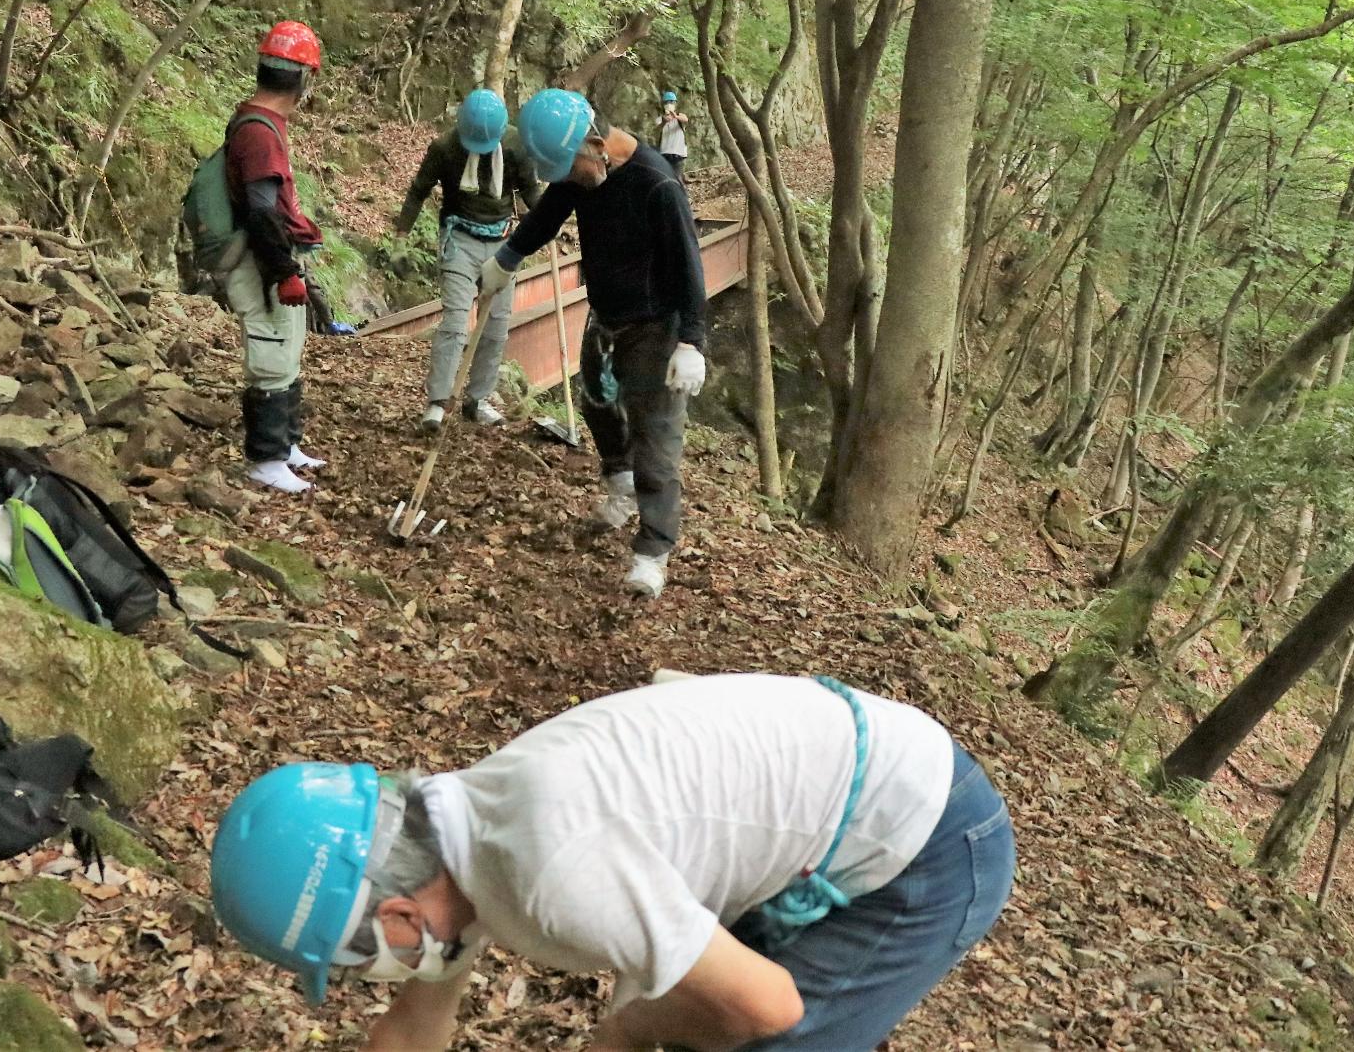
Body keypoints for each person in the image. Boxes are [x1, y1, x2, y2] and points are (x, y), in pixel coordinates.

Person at [209, 671, 1015, 1052]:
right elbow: (416, 1024)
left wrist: (628, 1029)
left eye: (352, 961)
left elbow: (768, 1005)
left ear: (393, 916)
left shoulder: (548, 867)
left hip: (933, 838)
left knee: (755, 1042)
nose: (368, 974)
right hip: (819, 808)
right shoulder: (446, 832)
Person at [480, 89, 705, 597]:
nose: (567, 180)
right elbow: (547, 215)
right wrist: (507, 258)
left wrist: (692, 342)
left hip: (656, 327)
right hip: (606, 317)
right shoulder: (580, 176)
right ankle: (619, 484)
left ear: (598, 144)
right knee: (597, 401)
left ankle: (652, 553)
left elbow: (690, 266)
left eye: (571, 168)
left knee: (656, 438)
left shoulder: (657, 185)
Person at [395, 89, 542, 432]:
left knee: (496, 327)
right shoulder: (445, 148)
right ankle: (437, 402)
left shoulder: (517, 146)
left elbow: (531, 192)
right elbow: (418, 190)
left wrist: (547, 218)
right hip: (459, 239)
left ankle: (478, 400)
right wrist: (400, 240)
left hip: (503, 245)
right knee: (455, 323)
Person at [225, 20, 328, 495]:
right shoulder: (260, 134)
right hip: (262, 258)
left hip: (273, 255)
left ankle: (285, 446)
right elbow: (263, 212)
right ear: (304, 79)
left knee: (288, 348)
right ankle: (264, 458)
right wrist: (285, 272)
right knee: (270, 350)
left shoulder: (261, 123)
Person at [656, 90, 689, 181]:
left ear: (675, 103)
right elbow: (657, 129)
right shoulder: (660, 119)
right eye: (667, 102)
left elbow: (685, 120)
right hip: (664, 152)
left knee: (677, 178)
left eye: (672, 102)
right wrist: (664, 121)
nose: (669, 104)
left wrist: (676, 117)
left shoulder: (680, 116)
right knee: (665, 177)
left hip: (678, 153)